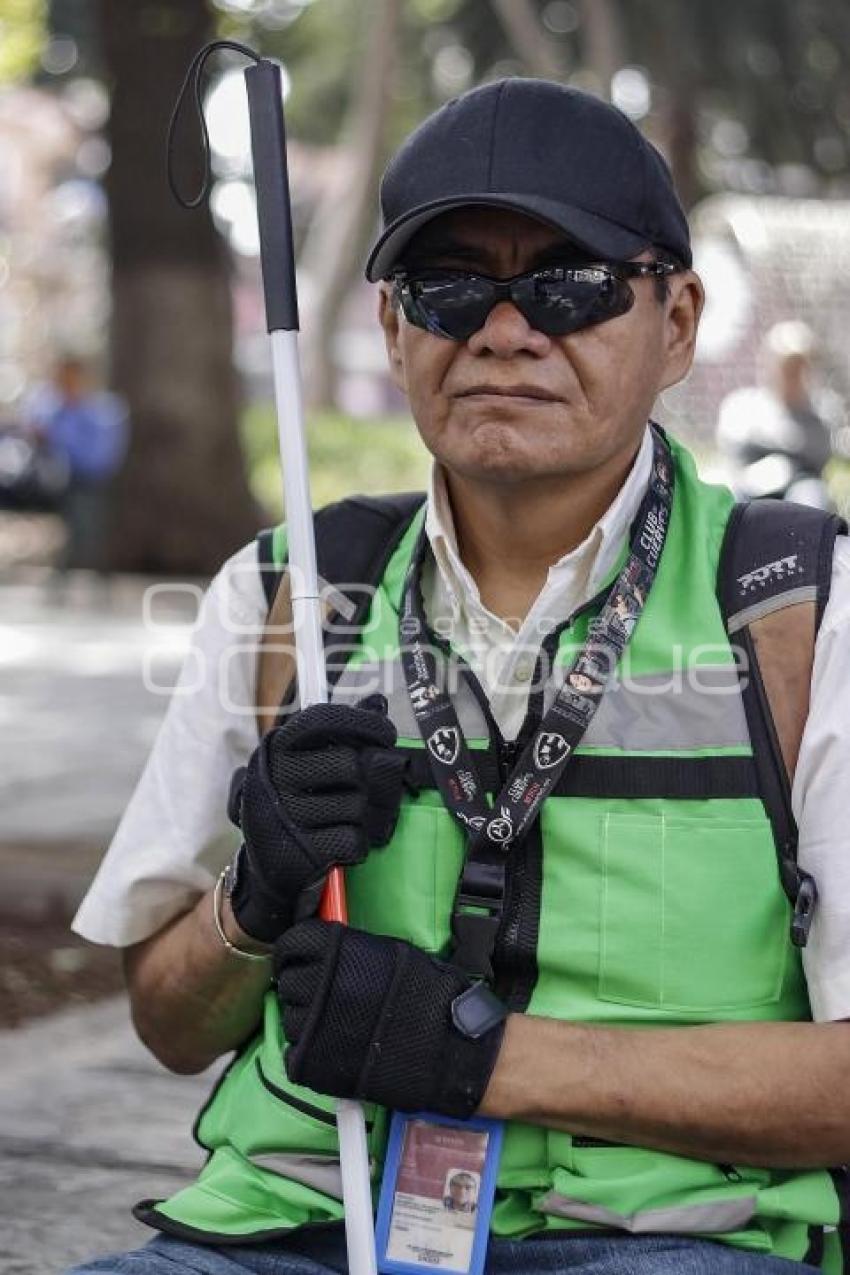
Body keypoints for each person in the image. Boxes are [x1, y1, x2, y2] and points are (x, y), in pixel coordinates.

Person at [68, 79, 850, 1274]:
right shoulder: (288, 592)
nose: (503, 328)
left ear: (679, 321)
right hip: (296, 1227)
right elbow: (170, 1025)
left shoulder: (802, 607)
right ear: (393, 328)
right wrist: (255, 897)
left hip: (670, 1242)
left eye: (570, 283)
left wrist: (480, 1057)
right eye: (447, 288)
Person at [716, 321, 836, 507]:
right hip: (751, 487)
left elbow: (820, 454)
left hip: (798, 490)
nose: (794, 374)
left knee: (811, 494)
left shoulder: (821, 411)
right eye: (787, 367)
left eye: (800, 367)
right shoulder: (743, 405)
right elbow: (733, 445)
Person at [24, 355, 128, 572]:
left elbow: (98, 454)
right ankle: (68, 571)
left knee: (87, 526)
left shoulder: (103, 410)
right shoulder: (57, 409)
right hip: (60, 477)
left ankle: (90, 571)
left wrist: (53, 435)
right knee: (72, 525)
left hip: (92, 478)